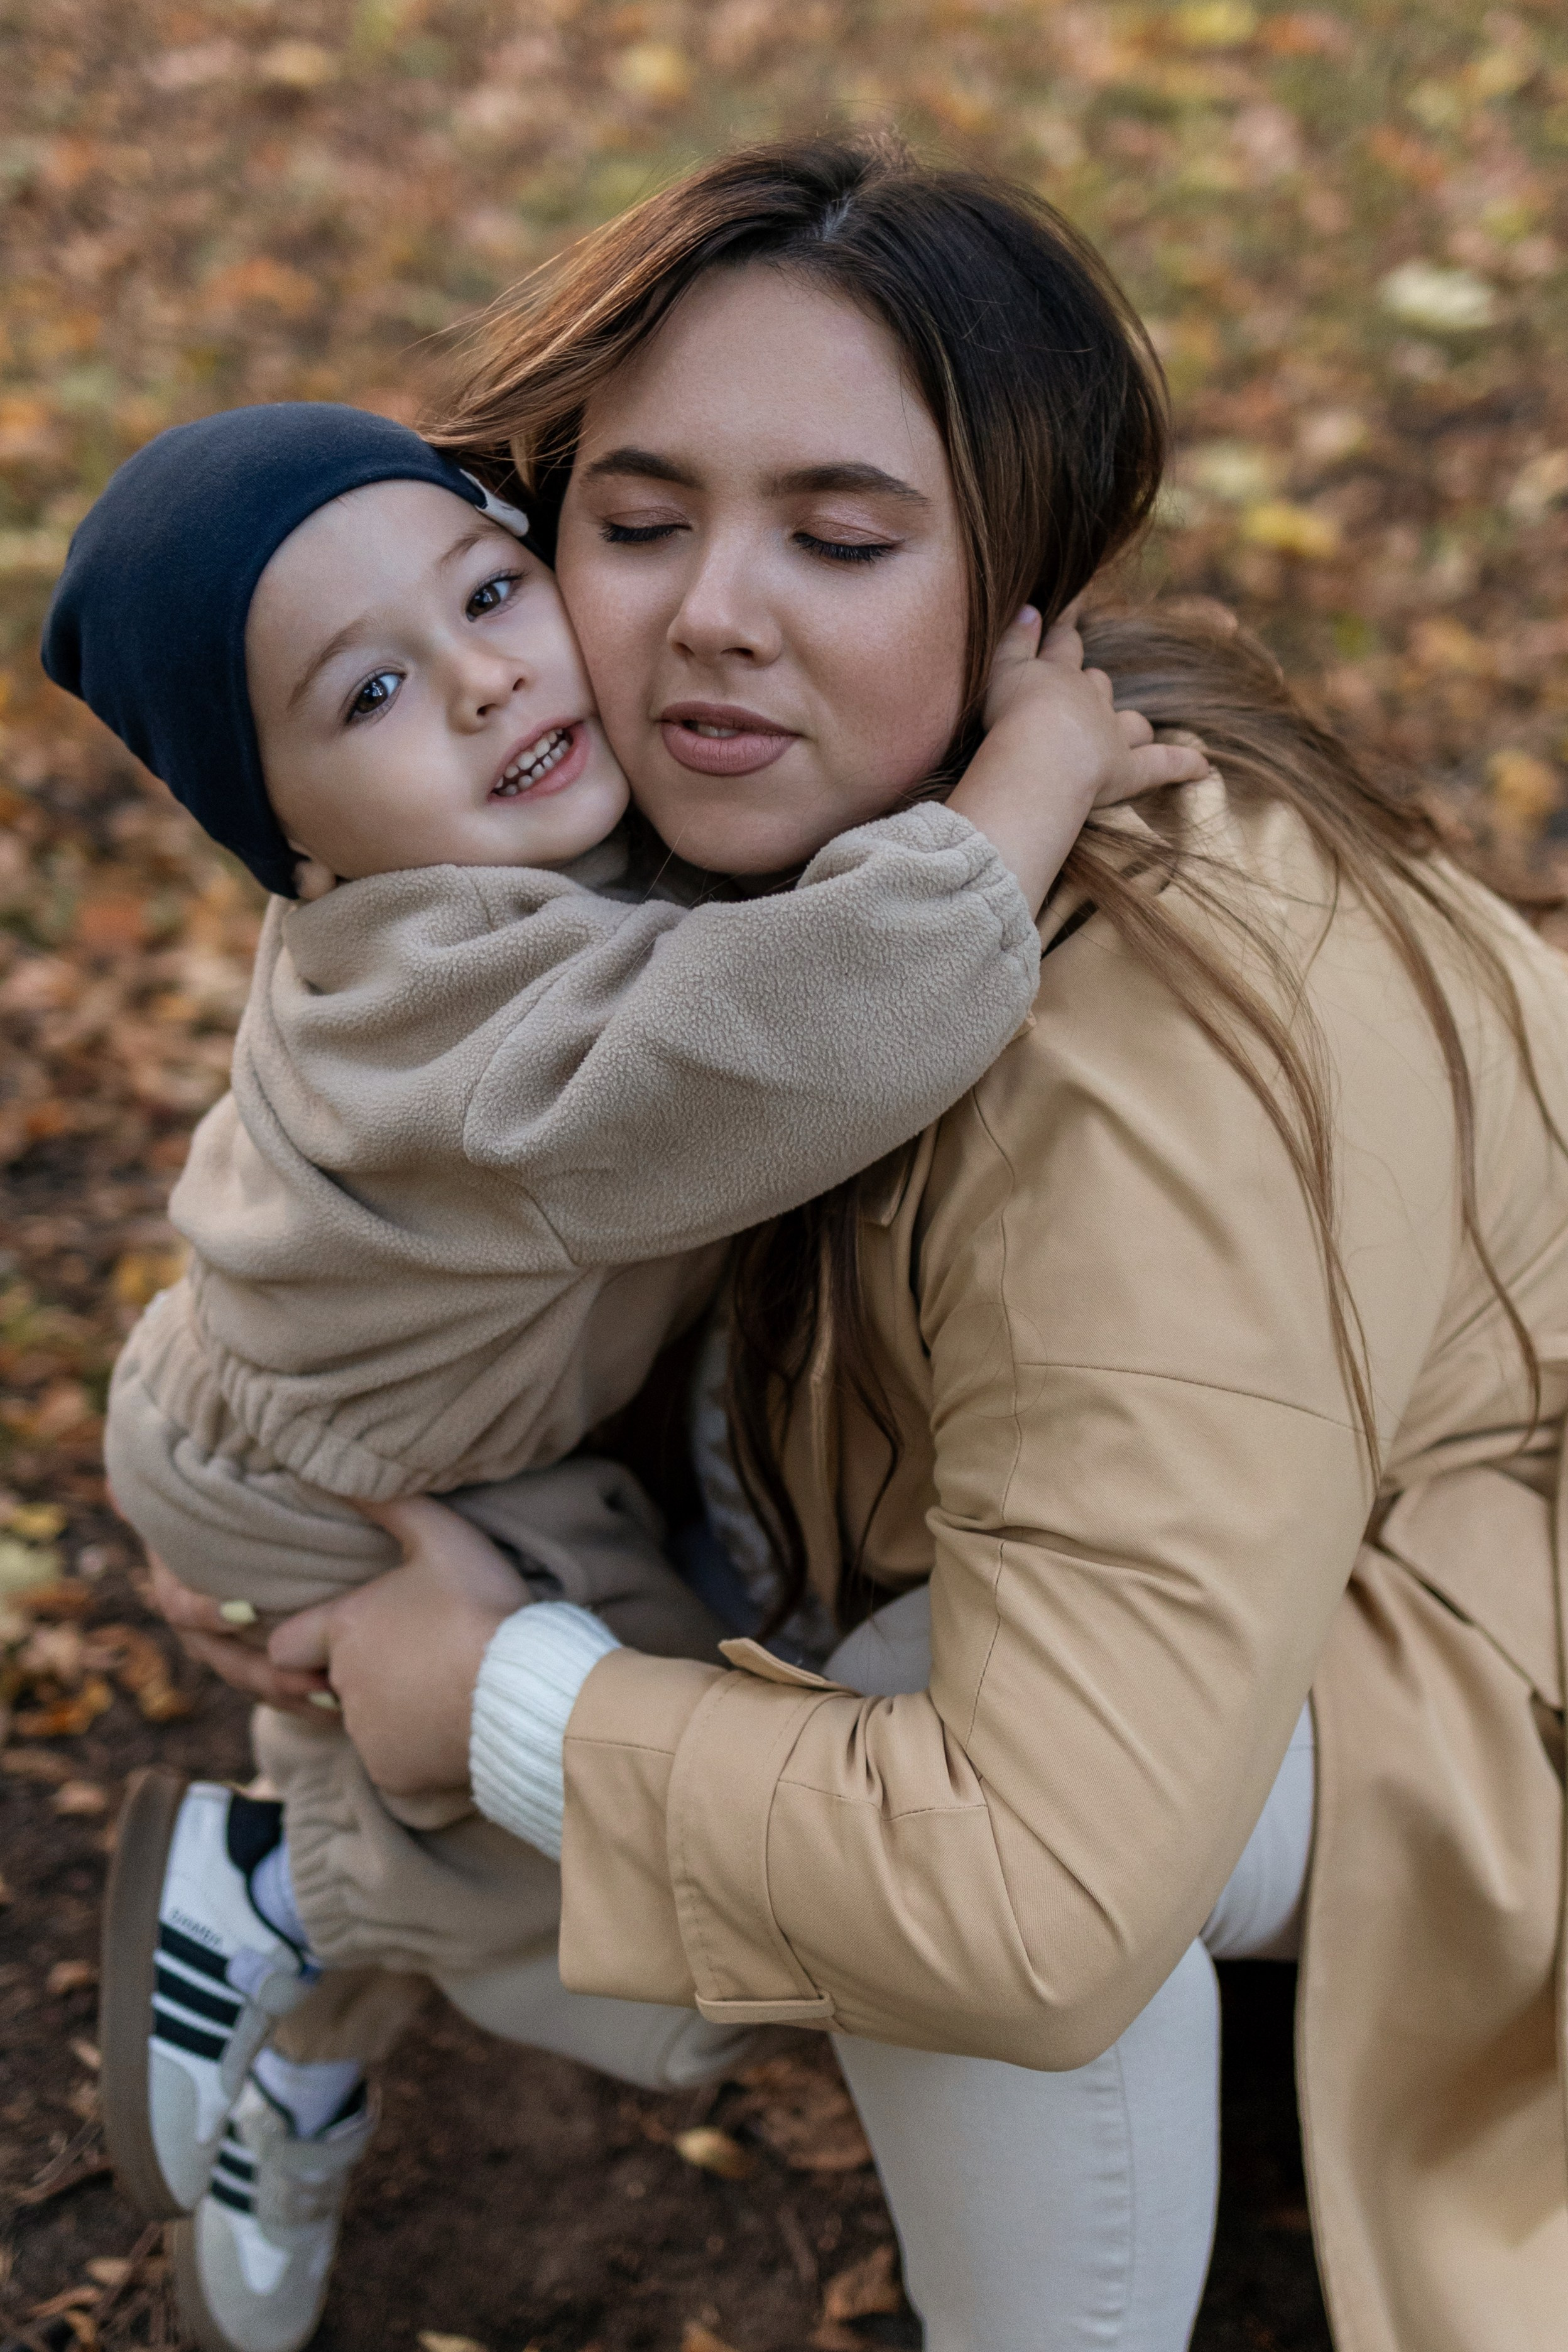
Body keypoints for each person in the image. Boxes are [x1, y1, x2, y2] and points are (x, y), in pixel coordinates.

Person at [151, 136, 1568, 2352]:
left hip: (1506, 1623)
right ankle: (314, 1945)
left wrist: (494, 1696)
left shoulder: (1152, 1043)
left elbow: (1038, 1897)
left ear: (1028, 586)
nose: (714, 610)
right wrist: (256, 1513)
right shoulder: (681, 836)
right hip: (1181, 1532)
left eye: (839, 536)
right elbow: (373, 1166)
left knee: (929, 1793)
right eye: (633, 527)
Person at [43, 397, 1200, 2336]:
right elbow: (832, 1014)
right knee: (618, 1831)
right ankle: (282, 1902)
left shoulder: (477, 878)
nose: (495, 675)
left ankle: (301, 2025)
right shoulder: (478, 1023)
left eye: (493, 587)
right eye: (377, 690)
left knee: (485, 1778)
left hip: (357, 1414)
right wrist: (1043, 761)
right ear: (289, 836)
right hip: (360, 1468)